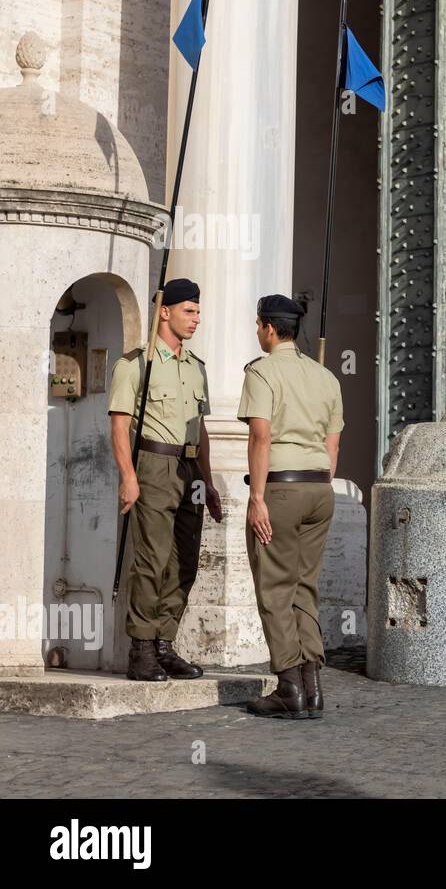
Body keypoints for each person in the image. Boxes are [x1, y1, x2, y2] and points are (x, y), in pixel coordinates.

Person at [108, 278, 220, 681]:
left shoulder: (196, 368)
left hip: (190, 468)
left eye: (198, 311)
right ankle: (141, 651)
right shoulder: (136, 364)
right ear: (165, 312)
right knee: (152, 559)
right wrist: (128, 477)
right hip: (154, 465)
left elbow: (201, 428)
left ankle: (164, 643)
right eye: (189, 311)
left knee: (185, 561)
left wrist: (208, 483)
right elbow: (120, 428)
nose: (196, 319)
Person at [239, 295, 344, 719]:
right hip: (319, 487)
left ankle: (288, 687)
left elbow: (260, 436)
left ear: (267, 327)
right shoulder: (326, 377)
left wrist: (257, 497)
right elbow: (333, 442)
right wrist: (319, 479)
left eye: (258, 325)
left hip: (280, 488)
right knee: (304, 587)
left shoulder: (261, 372)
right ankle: (312, 687)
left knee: (275, 589)